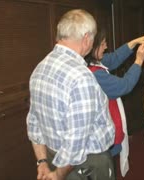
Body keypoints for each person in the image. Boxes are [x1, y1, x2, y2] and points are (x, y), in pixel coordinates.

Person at [27, 9, 116, 180]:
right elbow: (75, 144)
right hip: (85, 166)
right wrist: (58, 175)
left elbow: (33, 124)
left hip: (54, 159)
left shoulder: (39, 68)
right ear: (86, 39)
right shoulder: (81, 77)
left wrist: (43, 163)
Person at [85, 28, 144, 177]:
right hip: (101, 141)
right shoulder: (95, 74)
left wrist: (134, 42)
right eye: (102, 44)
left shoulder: (89, 62)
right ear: (93, 47)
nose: (106, 46)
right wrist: (139, 60)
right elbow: (124, 86)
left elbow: (114, 58)